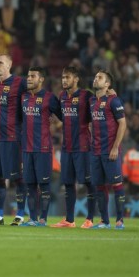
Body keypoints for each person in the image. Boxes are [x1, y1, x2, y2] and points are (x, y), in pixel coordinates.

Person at [0, 53, 27, 226]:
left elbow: (35, 93)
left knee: (18, 178)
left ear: (9, 65)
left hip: (13, 138)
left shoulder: (20, 83)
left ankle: (20, 215)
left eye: (0, 62)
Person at [51, 66, 95, 228]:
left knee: (88, 182)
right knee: (68, 183)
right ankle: (69, 220)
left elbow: (96, 113)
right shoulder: (62, 96)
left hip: (82, 145)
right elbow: (63, 117)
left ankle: (90, 218)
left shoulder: (86, 95)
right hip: (67, 147)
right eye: (63, 77)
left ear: (76, 79)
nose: (64, 80)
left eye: (67, 77)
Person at [18, 67, 62, 226]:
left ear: (41, 79)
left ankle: (43, 219)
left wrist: (56, 126)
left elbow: (64, 117)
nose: (28, 78)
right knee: (29, 185)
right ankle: (32, 219)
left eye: (33, 76)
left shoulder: (49, 98)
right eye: (28, 75)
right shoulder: (23, 97)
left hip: (43, 148)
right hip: (27, 149)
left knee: (44, 185)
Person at [89, 70, 127, 229]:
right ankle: (104, 221)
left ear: (107, 84)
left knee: (117, 183)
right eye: (95, 76)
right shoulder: (91, 100)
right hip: (95, 151)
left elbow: (123, 124)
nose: (96, 79)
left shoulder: (114, 101)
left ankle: (120, 220)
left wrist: (115, 147)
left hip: (110, 150)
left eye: (100, 77)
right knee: (99, 186)